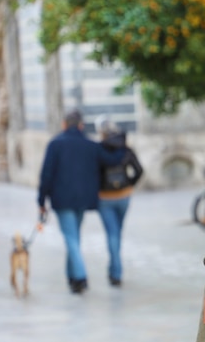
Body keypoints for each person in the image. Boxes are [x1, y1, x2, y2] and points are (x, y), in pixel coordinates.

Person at [37, 109, 125, 294]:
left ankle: (80, 277)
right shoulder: (90, 145)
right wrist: (121, 141)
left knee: (71, 238)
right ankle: (72, 278)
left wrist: (41, 200)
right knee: (73, 237)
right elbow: (112, 159)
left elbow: (46, 175)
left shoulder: (55, 144)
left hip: (62, 200)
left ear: (63, 124)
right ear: (81, 125)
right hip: (84, 200)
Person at [95, 116, 144, 287]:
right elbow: (139, 170)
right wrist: (129, 184)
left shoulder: (98, 150)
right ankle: (114, 270)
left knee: (112, 234)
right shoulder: (126, 148)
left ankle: (115, 273)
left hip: (105, 198)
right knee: (117, 233)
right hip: (124, 197)